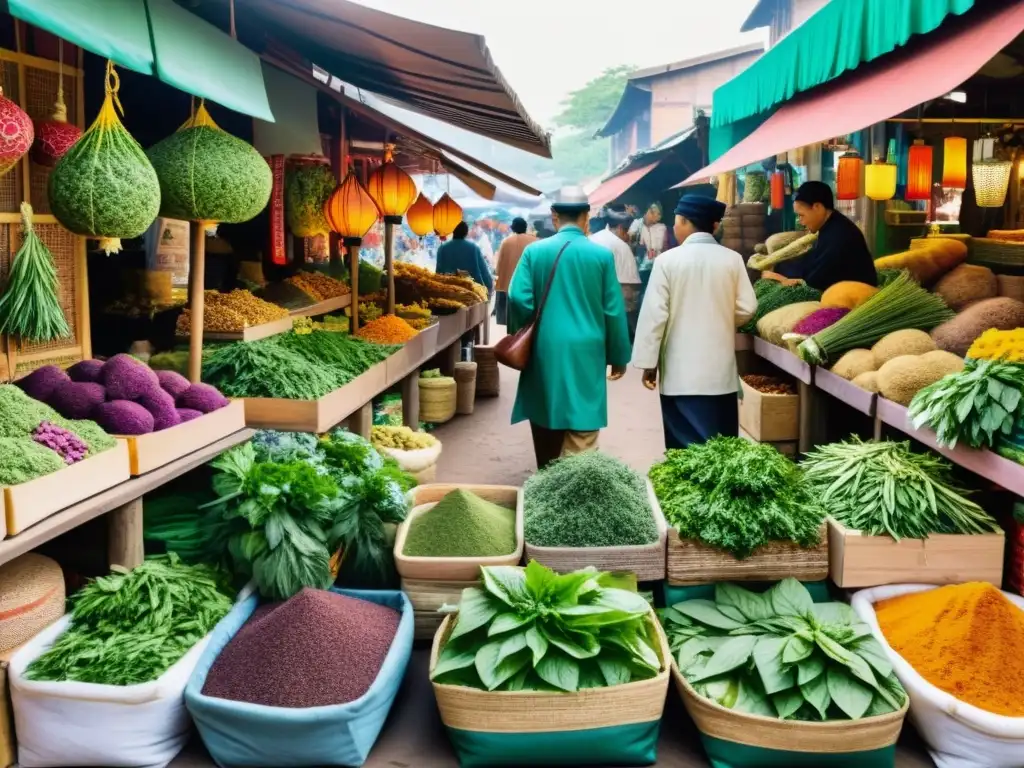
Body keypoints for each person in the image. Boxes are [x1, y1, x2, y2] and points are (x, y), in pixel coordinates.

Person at [508, 186, 631, 469]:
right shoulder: (600, 256)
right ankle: (575, 484)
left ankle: (547, 474)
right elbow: (613, 311)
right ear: (587, 216)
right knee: (582, 420)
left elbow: (517, 297)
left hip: (544, 347)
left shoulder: (534, 251)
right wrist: (618, 356)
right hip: (587, 351)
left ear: (554, 216)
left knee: (545, 413)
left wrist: (523, 330)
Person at [632, 195, 758, 450]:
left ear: (684, 221)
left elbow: (654, 316)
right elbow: (748, 307)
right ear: (714, 227)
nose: (674, 227)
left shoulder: (667, 261)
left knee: (684, 455)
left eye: (676, 221)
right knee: (720, 452)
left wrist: (648, 364)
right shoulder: (732, 259)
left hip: (680, 377)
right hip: (720, 377)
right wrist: (720, 316)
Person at [779, 181, 878, 290]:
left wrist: (780, 277)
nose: (801, 222)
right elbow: (811, 264)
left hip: (855, 299)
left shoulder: (839, 236)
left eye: (801, 215)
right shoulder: (831, 225)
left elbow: (815, 281)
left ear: (817, 207)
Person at [589, 204, 642, 342]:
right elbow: (631, 288)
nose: (629, 236)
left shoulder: (592, 239)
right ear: (620, 228)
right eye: (628, 232)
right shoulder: (621, 246)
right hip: (615, 301)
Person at [494, 217, 536, 327]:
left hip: (510, 286)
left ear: (513, 228)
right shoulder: (535, 241)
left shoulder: (506, 242)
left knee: (511, 318)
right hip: (530, 285)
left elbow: (499, 266)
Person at [435, 221, 493, 295]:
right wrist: (489, 285)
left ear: (453, 231)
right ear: (466, 232)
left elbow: (438, 272)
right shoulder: (473, 248)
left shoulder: (442, 248)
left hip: (448, 291)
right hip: (472, 292)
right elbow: (483, 270)